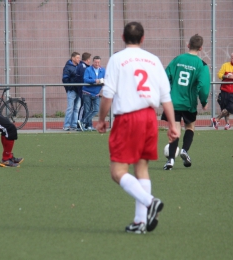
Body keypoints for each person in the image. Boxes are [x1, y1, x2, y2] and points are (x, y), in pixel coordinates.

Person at [97, 22, 179, 234]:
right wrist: (172, 124)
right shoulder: (153, 60)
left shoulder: (117, 59)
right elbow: (165, 97)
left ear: (123, 37)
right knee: (141, 168)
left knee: (117, 172)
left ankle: (150, 202)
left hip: (128, 119)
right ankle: (140, 222)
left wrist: (101, 119)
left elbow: (108, 94)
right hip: (149, 118)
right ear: (143, 39)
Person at [161, 34, 210, 170]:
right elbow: (204, 87)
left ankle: (170, 160)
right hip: (189, 103)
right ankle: (184, 150)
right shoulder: (202, 65)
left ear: (188, 45)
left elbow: (165, 76)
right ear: (200, 48)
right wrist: (204, 101)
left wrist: (166, 94)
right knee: (189, 128)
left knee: (175, 130)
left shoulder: (177, 59)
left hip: (173, 102)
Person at [78, 56, 105, 131]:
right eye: (95, 62)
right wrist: (94, 80)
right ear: (93, 62)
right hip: (87, 92)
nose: (97, 64)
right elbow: (85, 79)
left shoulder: (102, 70)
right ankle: (89, 125)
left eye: (98, 62)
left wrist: (104, 82)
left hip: (96, 93)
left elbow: (106, 79)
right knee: (87, 110)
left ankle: (82, 121)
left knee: (96, 109)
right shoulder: (88, 69)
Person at [211, 53, 233, 130]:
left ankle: (216, 119)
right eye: (232, 58)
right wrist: (226, 76)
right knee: (225, 107)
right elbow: (219, 75)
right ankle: (227, 124)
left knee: (230, 107)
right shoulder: (225, 65)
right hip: (225, 90)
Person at [62, 52, 81, 131]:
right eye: (77, 58)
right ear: (73, 58)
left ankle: (74, 125)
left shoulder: (80, 66)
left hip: (78, 90)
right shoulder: (67, 67)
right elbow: (65, 79)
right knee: (70, 108)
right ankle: (66, 125)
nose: (79, 59)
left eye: (79, 58)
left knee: (76, 108)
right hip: (72, 90)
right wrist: (70, 87)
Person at [75, 52, 91, 131]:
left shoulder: (83, 66)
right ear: (88, 59)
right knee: (83, 106)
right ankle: (79, 123)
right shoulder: (83, 67)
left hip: (83, 89)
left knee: (86, 107)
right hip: (83, 89)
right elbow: (84, 79)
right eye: (89, 59)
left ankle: (85, 123)